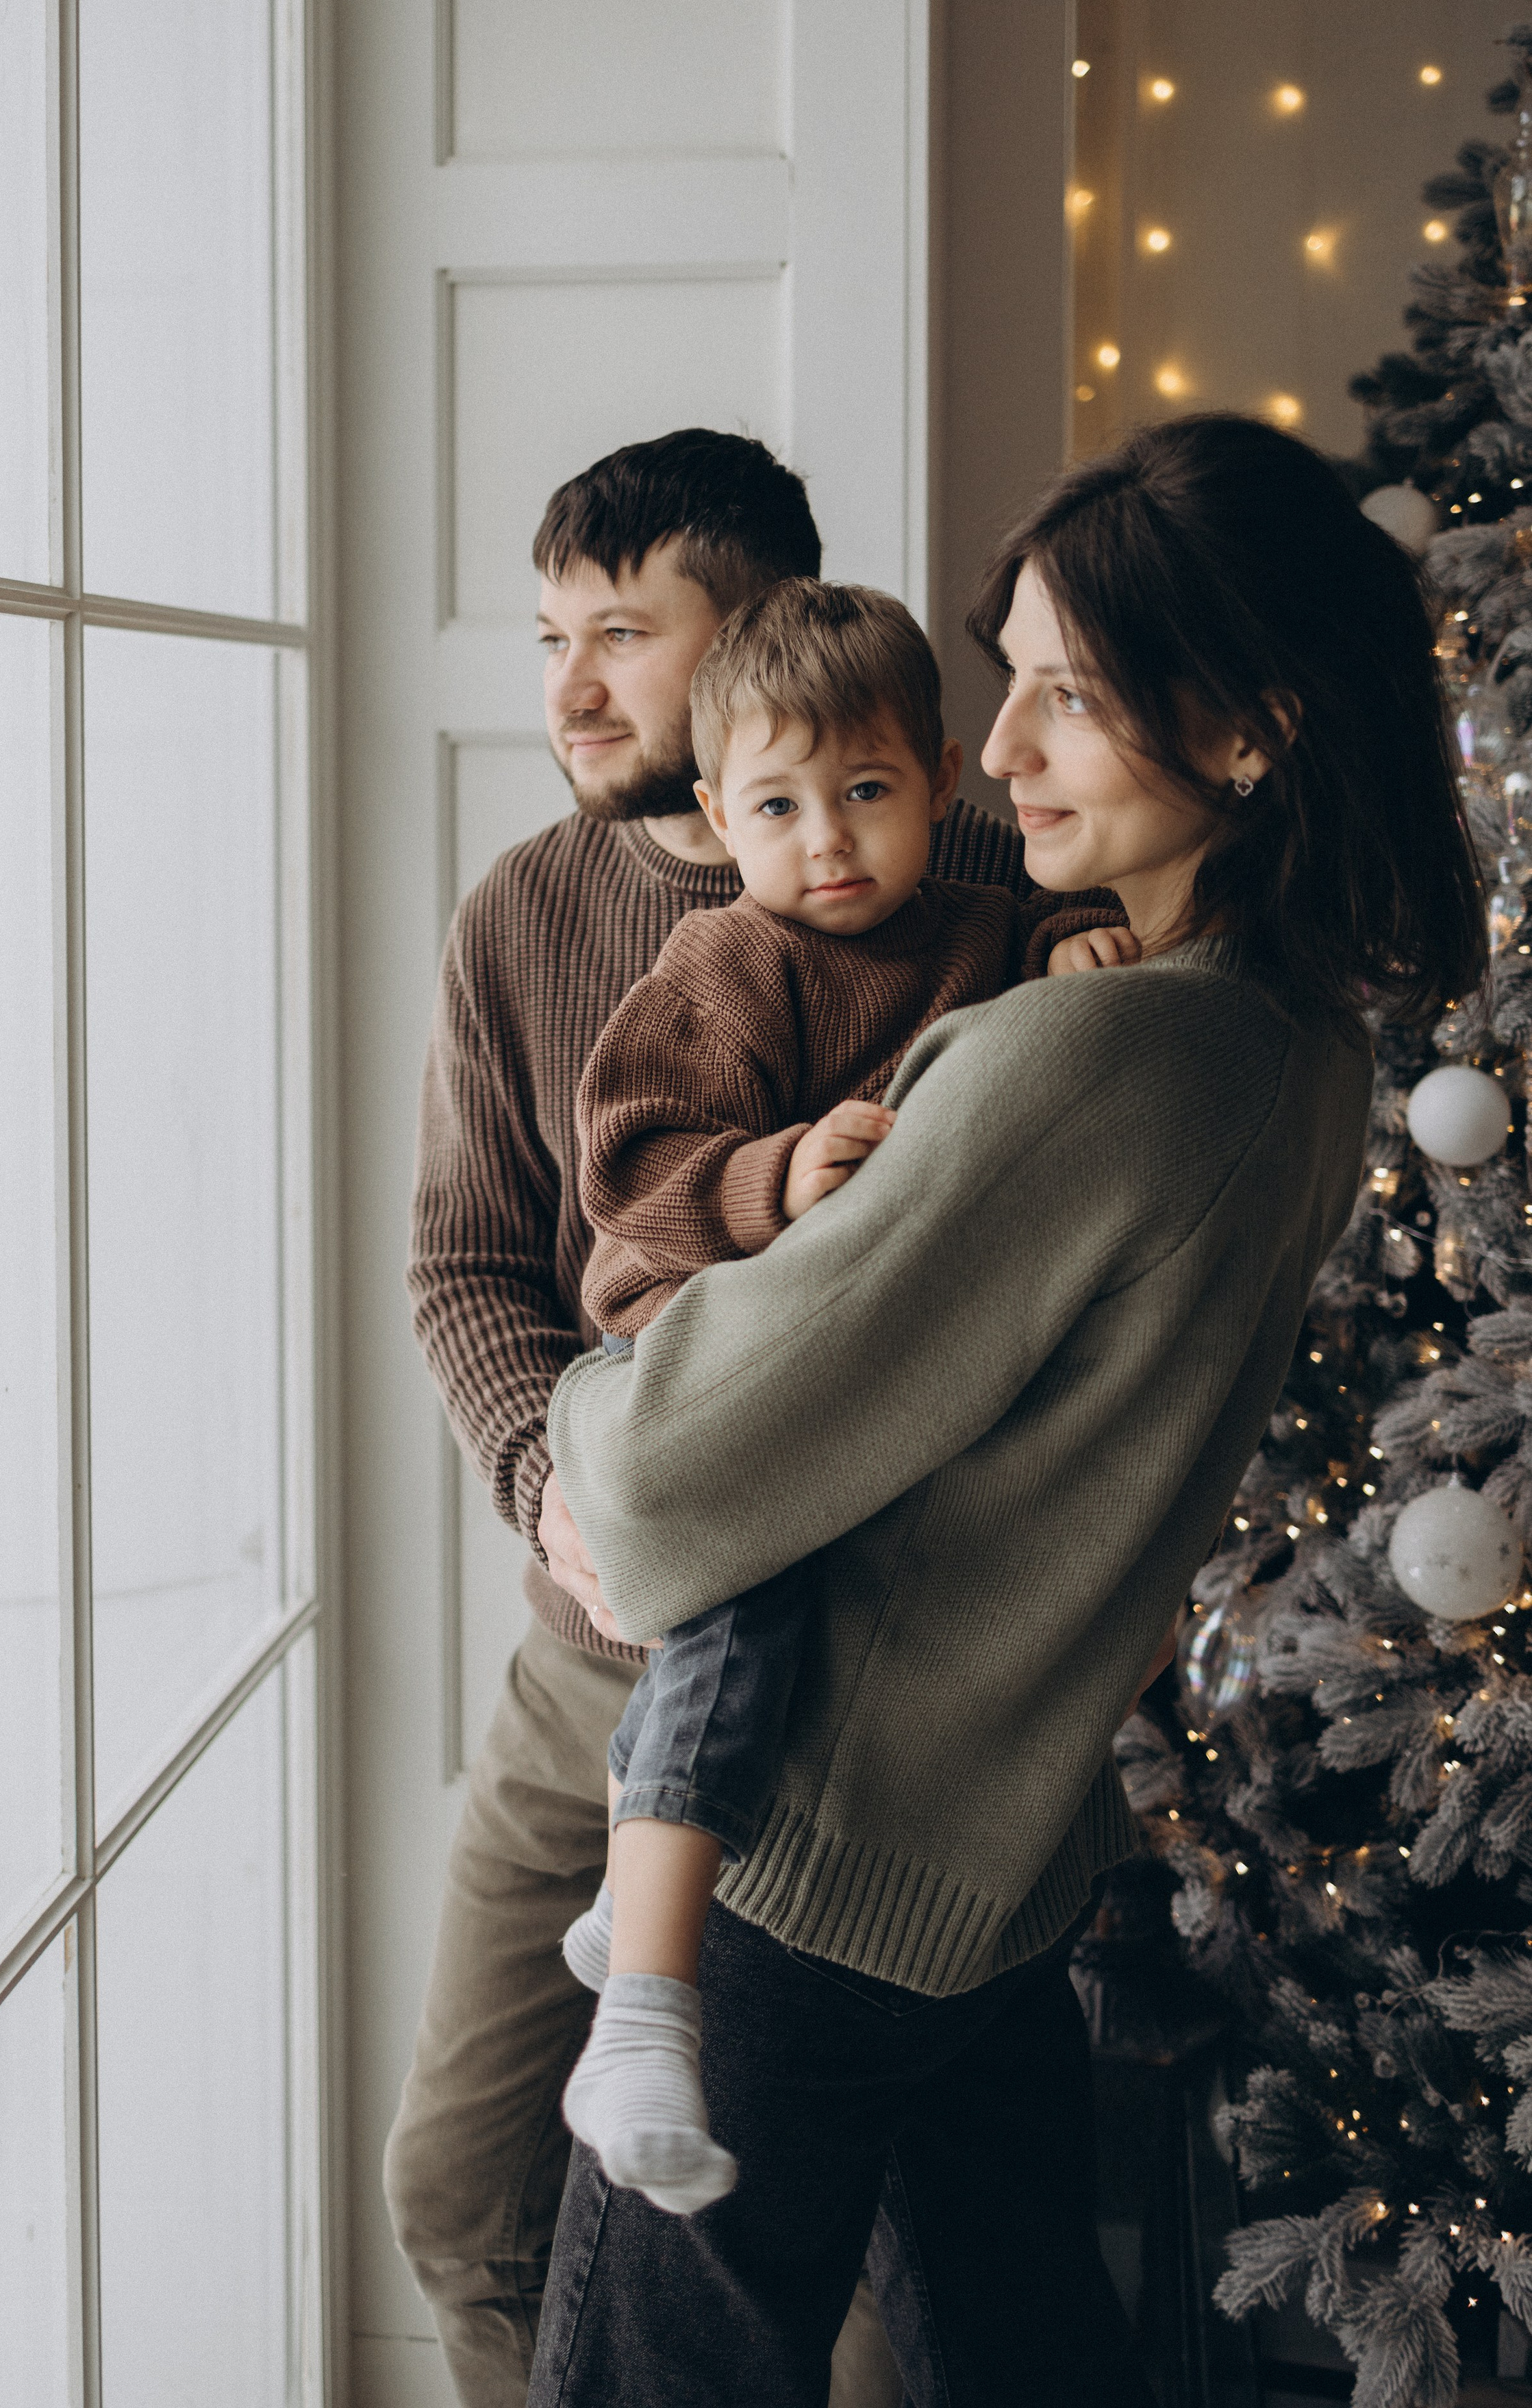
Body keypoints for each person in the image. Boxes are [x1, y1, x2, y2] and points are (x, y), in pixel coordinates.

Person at [526, 414, 1487, 2408]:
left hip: (802, 1868)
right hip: (1002, 1860)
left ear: (1245, 730)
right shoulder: (1306, 1049)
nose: (1011, 745)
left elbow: (671, 1471)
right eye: (1018, 677)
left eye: (1071, 694)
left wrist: (600, 1411)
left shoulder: (1087, 1061)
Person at [392, 427, 1094, 2407]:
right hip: (587, 1647)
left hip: (871, 1689)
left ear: (756, 634)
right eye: (553, 637)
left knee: (835, 2271)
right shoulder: (523, 914)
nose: (569, 686)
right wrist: (556, 1494)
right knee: (459, 2196)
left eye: (623, 632)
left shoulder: (975, 878)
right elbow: (464, 1268)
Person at [556, 579, 1132, 2216]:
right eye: (777, 805)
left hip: (845, 1368)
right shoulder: (724, 958)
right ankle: (646, 2008)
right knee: (748, 1599)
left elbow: (1027, 976)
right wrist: (770, 1173)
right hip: (690, 1343)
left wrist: (1068, 941)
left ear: (940, 778)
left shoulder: (974, 925)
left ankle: (637, 1875)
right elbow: (627, 1169)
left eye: (865, 792)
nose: (827, 839)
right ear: (713, 813)